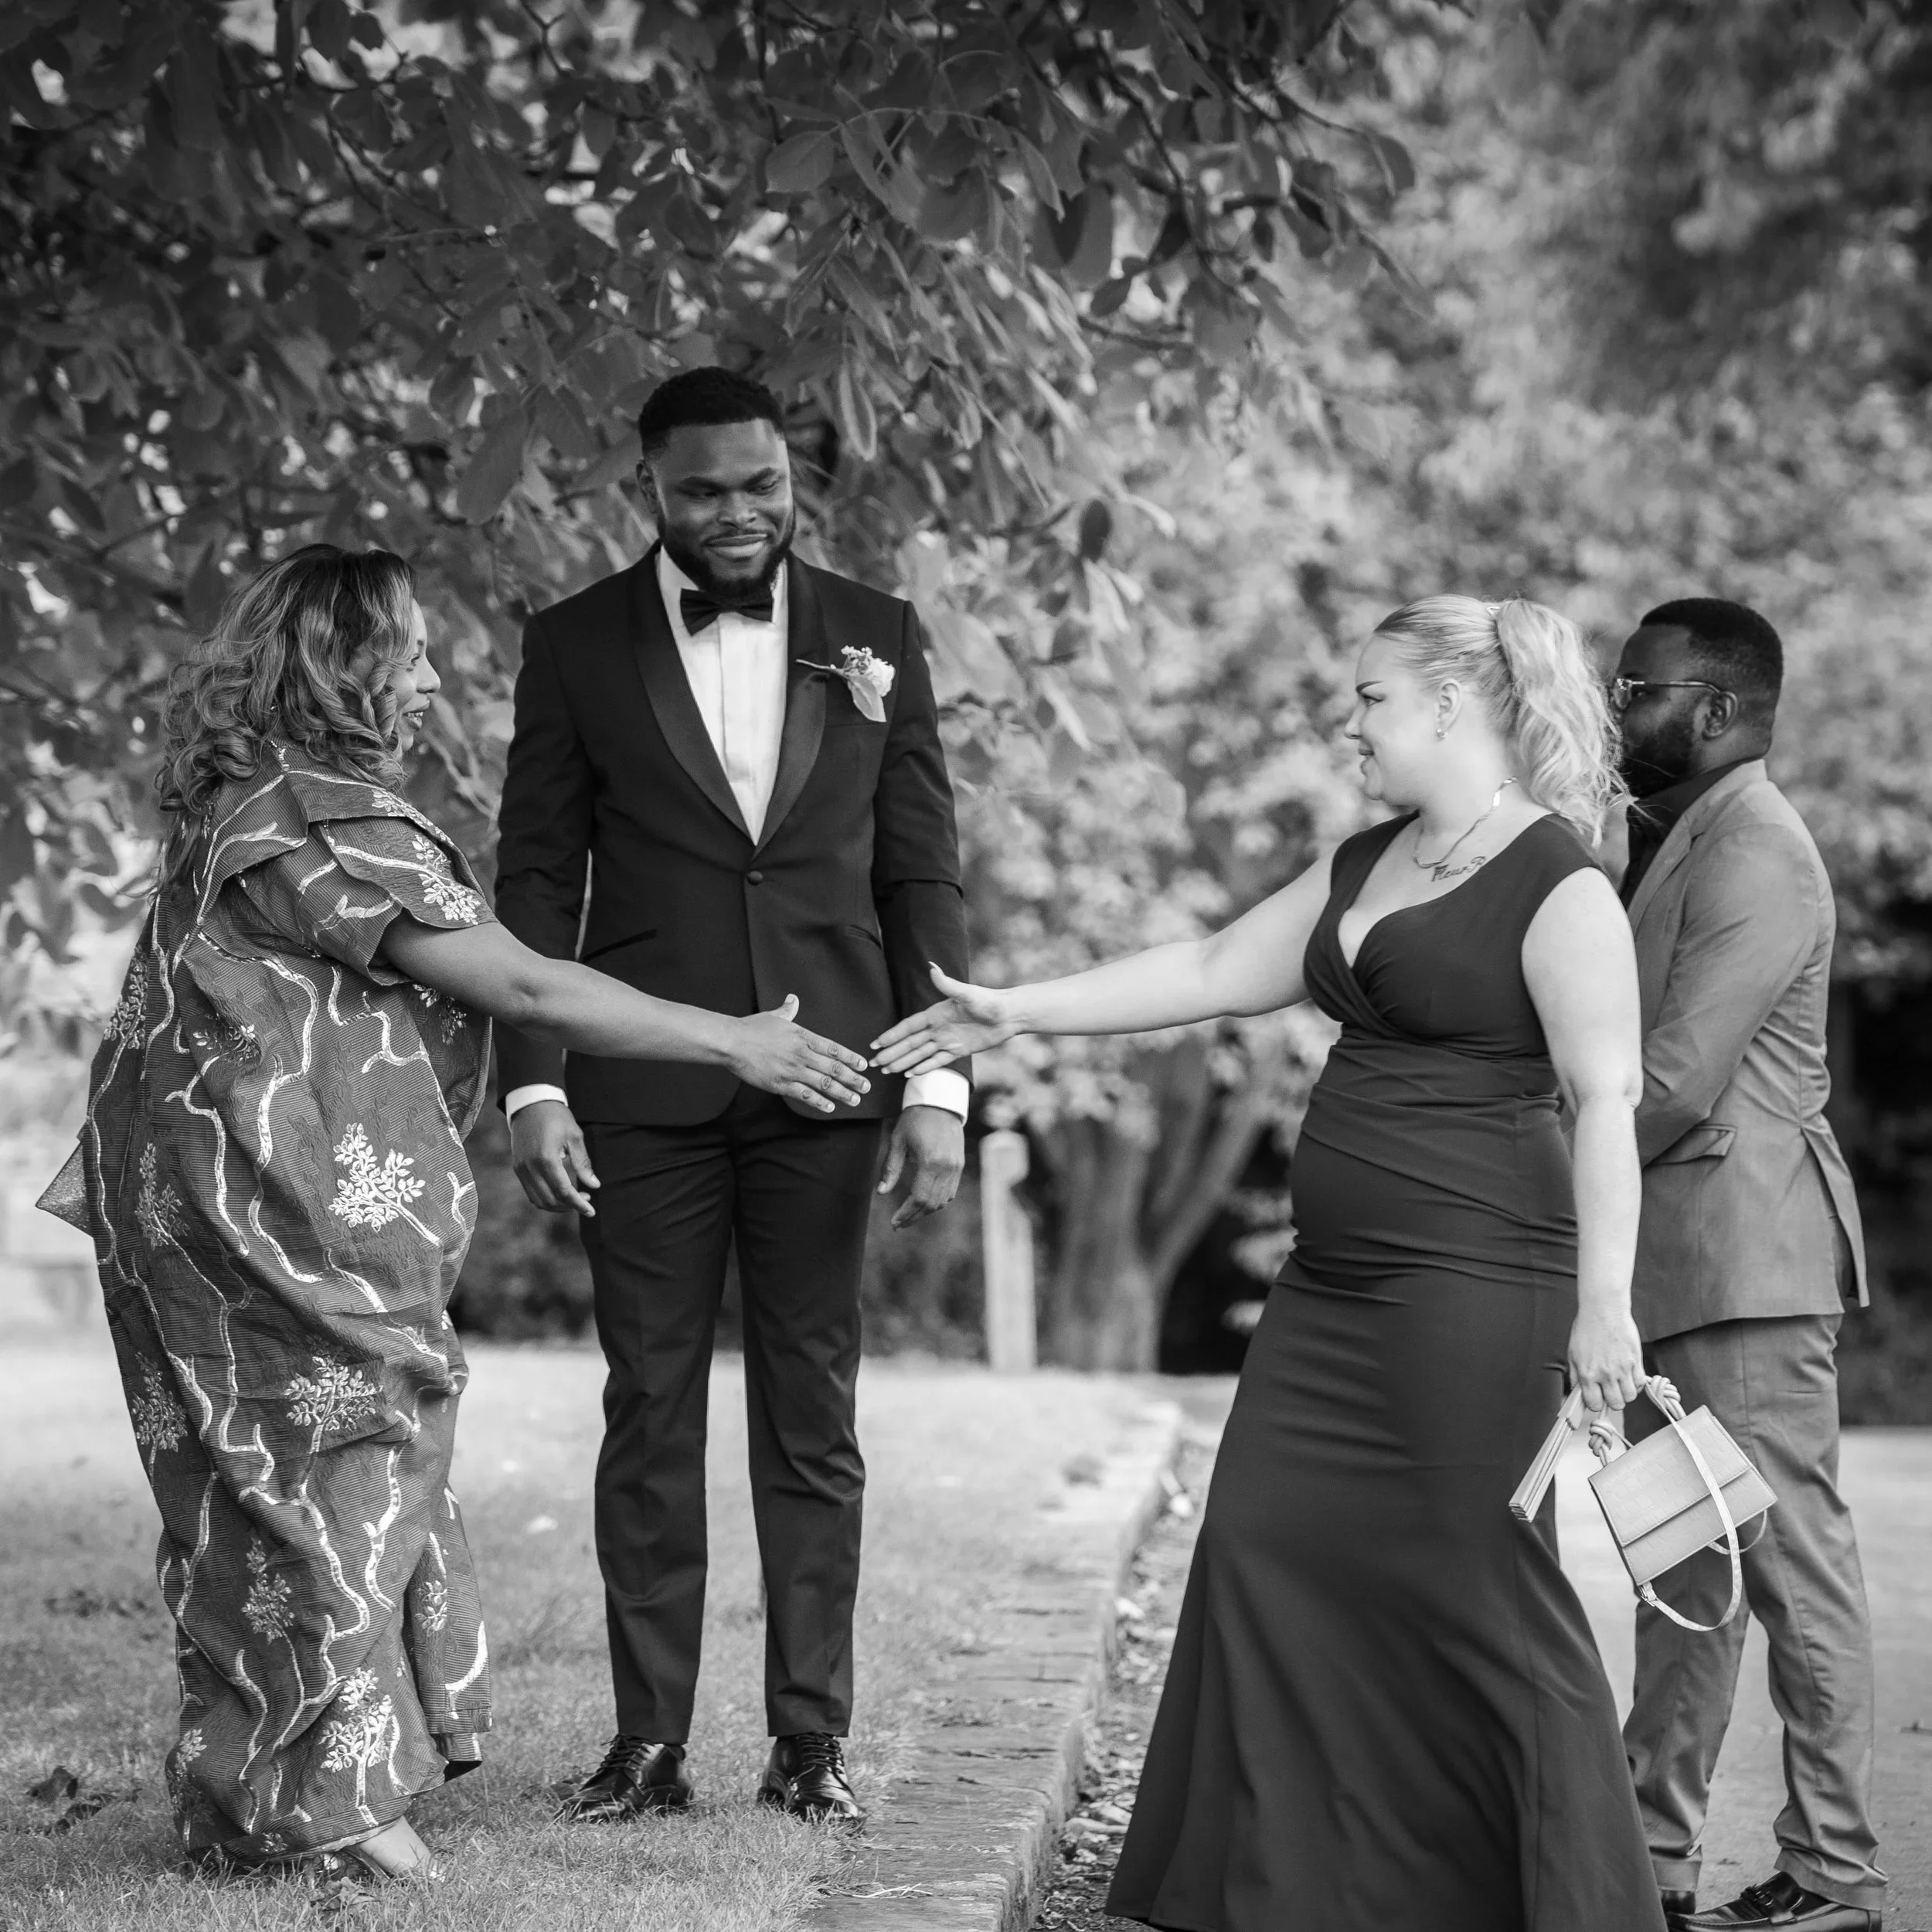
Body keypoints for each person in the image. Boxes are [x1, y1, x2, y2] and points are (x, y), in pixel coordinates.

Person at [38, 546, 871, 1885]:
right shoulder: (316, 819)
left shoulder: (247, 801)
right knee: (332, 1480)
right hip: (262, 1204)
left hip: (186, 1191)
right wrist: (732, 1039)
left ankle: (244, 1804)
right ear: (339, 662)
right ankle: (343, 1815)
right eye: (408, 651)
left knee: (247, 1493)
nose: (429, 675)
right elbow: (523, 988)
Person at [877, 595, 1668, 1932]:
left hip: (1479, 1287)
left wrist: (1607, 1310)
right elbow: (1207, 965)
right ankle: (1311, 1890)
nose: (1347, 722)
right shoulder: (1366, 859)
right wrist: (1018, 1012)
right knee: (1263, 1545)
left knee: (1478, 1582)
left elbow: (1609, 1096)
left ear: (1447, 704)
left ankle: (1577, 1902)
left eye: (1368, 697)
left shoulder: (1560, 883)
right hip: (1335, 1292)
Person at [492, 368, 971, 1826]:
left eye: (762, 485)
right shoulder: (571, 644)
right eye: (705, 491)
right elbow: (534, 872)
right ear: (648, 487)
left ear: (789, 474)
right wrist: (532, 1088)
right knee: (648, 1408)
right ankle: (648, 1744)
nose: (741, 514)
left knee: (812, 1417)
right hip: (639, 1092)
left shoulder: (877, 635)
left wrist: (937, 1080)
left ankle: (808, 1741)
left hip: (833, 1083)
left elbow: (920, 873)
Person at [1609, 600, 1884, 1932]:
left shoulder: (1759, 850)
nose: (1618, 709)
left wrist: (1511, 1172)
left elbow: (1668, 1082)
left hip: (1750, 1266)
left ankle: (1837, 1878)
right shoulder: (1683, 836)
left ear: (1716, 710)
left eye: (1637, 688)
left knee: (1791, 1573)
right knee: (1688, 1577)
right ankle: (1650, 1863)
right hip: (1678, 1268)